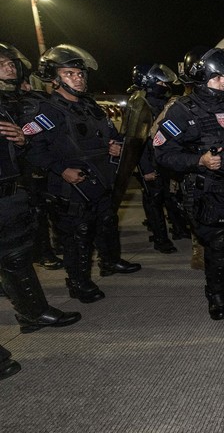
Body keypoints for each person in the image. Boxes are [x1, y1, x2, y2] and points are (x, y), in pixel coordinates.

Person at [21, 44, 141, 303]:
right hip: (70, 186)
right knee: (78, 237)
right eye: (70, 73)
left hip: (100, 179)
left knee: (107, 223)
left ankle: (109, 263)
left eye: (80, 73)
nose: (78, 78)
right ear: (54, 78)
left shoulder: (90, 105)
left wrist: (115, 144)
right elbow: (32, 149)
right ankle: (79, 283)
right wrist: (61, 169)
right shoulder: (46, 110)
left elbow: (109, 132)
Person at [0, 43, 81, 381]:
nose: (8, 68)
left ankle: (33, 313)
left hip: (8, 195)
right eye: (0, 63)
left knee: (16, 258)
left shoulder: (8, 106)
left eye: (9, 62)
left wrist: (21, 142)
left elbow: (28, 151)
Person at [153, 47, 224, 320]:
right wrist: (199, 160)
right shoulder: (182, 111)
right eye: (218, 78)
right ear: (201, 78)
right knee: (217, 246)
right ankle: (216, 294)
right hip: (208, 190)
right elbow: (162, 152)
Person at [123, 64, 184, 254]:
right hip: (150, 161)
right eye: (159, 82)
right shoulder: (140, 105)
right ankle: (160, 239)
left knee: (170, 197)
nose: (164, 86)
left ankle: (178, 229)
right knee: (154, 200)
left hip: (164, 160)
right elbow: (135, 141)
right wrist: (145, 168)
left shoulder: (160, 103)